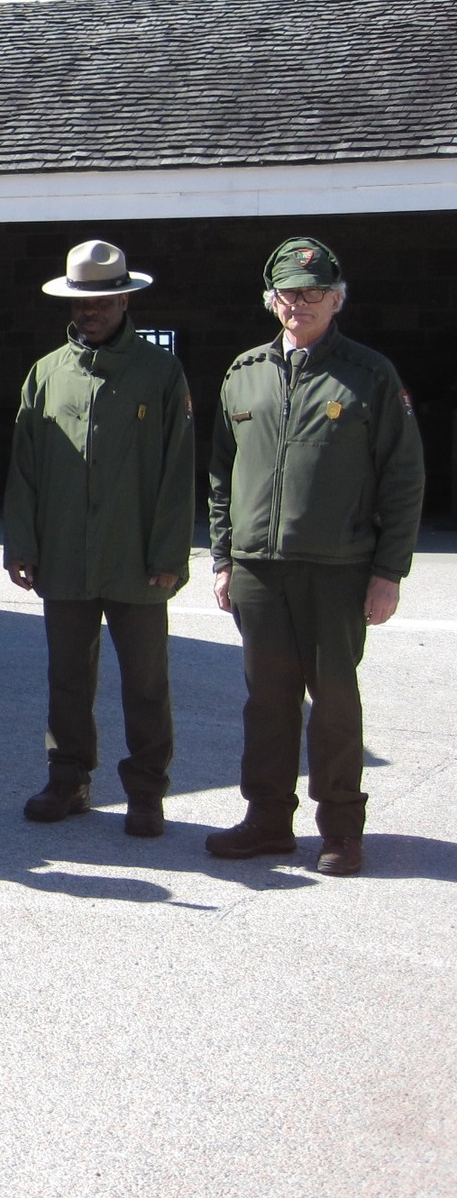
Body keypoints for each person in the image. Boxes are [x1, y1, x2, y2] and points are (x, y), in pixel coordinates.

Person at [205, 237, 423, 876]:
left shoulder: (370, 375)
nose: (301, 303)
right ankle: (268, 821)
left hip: (337, 568)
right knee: (266, 701)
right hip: (257, 569)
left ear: (337, 299)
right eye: (290, 292)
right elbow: (222, 472)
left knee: (332, 702)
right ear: (272, 299)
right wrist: (223, 558)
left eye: (315, 292)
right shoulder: (243, 373)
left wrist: (388, 572)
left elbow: (403, 479)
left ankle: (342, 831)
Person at [4, 241, 194, 838]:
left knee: (144, 680)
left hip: (137, 556)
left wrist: (168, 553)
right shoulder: (46, 373)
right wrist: (23, 544)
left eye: (103, 301)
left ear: (126, 299)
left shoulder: (159, 372)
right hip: (64, 552)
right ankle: (69, 779)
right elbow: (25, 467)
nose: (90, 312)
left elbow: (177, 468)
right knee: (67, 676)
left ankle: (146, 790)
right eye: (80, 301)